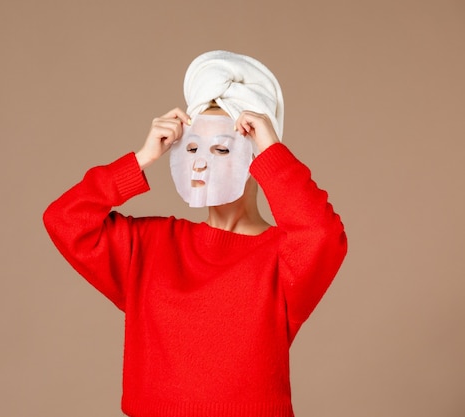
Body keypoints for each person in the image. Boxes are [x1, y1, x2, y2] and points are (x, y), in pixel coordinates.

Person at [44, 50, 347, 417]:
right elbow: (64, 219)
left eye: (221, 148)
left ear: (256, 158)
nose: (201, 161)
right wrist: (140, 159)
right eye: (191, 147)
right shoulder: (149, 245)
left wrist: (273, 151)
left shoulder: (282, 260)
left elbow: (323, 235)